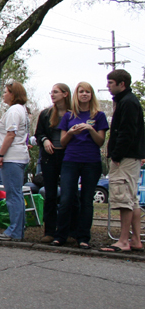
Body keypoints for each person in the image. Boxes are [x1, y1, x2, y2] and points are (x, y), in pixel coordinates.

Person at [52, 82, 108, 248]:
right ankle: (60, 235)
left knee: (86, 200)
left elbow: (100, 141)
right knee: (67, 198)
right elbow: (62, 142)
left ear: (92, 95)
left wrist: (90, 130)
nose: (84, 94)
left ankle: (83, 237)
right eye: (81, 91)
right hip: (71, 160)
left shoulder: (99, 116)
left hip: (91, 162)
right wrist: (71, 132)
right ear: (77, 94)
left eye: (88, 92)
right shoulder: (69, 116)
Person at [101, 69, 145, 253]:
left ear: (122, 84)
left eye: (111, 83)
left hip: (125, 158)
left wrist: (117, 154)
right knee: (132, 200)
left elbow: (127, 132)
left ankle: (124, 241)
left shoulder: (128, 103)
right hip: (131, 156)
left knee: (123, 198)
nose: (108, 86)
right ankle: (135, 239)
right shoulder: (127, 102)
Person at [34, 83, 71, 243]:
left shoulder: (73, 114)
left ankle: (69, 232)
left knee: (69, 195)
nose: (52, 95)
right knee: (49, 193)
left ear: (65, 94)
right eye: (51, 92)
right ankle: (49, 231)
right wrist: (45, 140)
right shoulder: (46, 114)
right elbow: (38, 133)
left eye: (56, 92)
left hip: (68, 156)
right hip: (50, 156)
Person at [0, 81, 30, 242]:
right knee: (16, 194)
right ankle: (18, 228)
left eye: (6, 92)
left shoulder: (14, 110)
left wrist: (0, 154)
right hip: (17, 156)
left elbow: (10, 134)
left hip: (12, 157)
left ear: (13, 94)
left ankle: (14, 230)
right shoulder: (20, 110)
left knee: (13, 195)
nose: (4, 94)